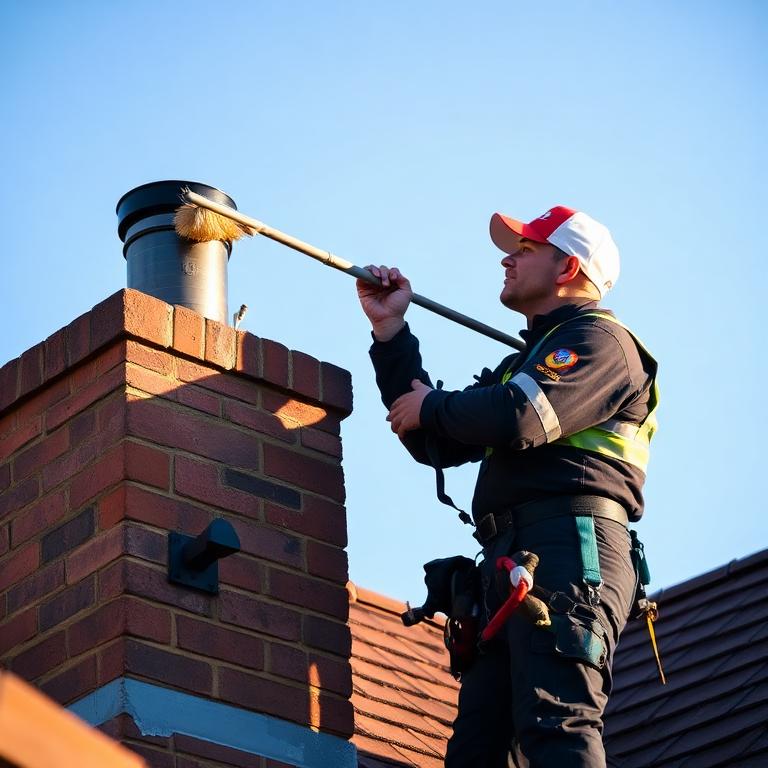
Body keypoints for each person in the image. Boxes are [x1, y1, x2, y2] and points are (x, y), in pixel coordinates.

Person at [356, 205, 658, 768]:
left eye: (524, 250)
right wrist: (391, 332)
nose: (507, 258)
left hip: (570, 549)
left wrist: (436, 407)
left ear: (567, 268)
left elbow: (518, 416)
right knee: (478, 751)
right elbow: (435, 439)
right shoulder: (525, 363)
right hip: (516, 560)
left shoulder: (601, 343)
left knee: (557, 722)